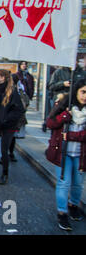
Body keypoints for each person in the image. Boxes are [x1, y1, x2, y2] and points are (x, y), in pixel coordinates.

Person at [45, 79, 86, 231]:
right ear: (76, 91)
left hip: (81, 154)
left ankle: (73, 205)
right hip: (63, 152)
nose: (85, 96)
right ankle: (62, 212)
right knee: (64, 183)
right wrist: (64, 117)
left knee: (77, 183)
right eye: (83, 92)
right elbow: (50, 123)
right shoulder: (65, 105)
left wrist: (72, 136)